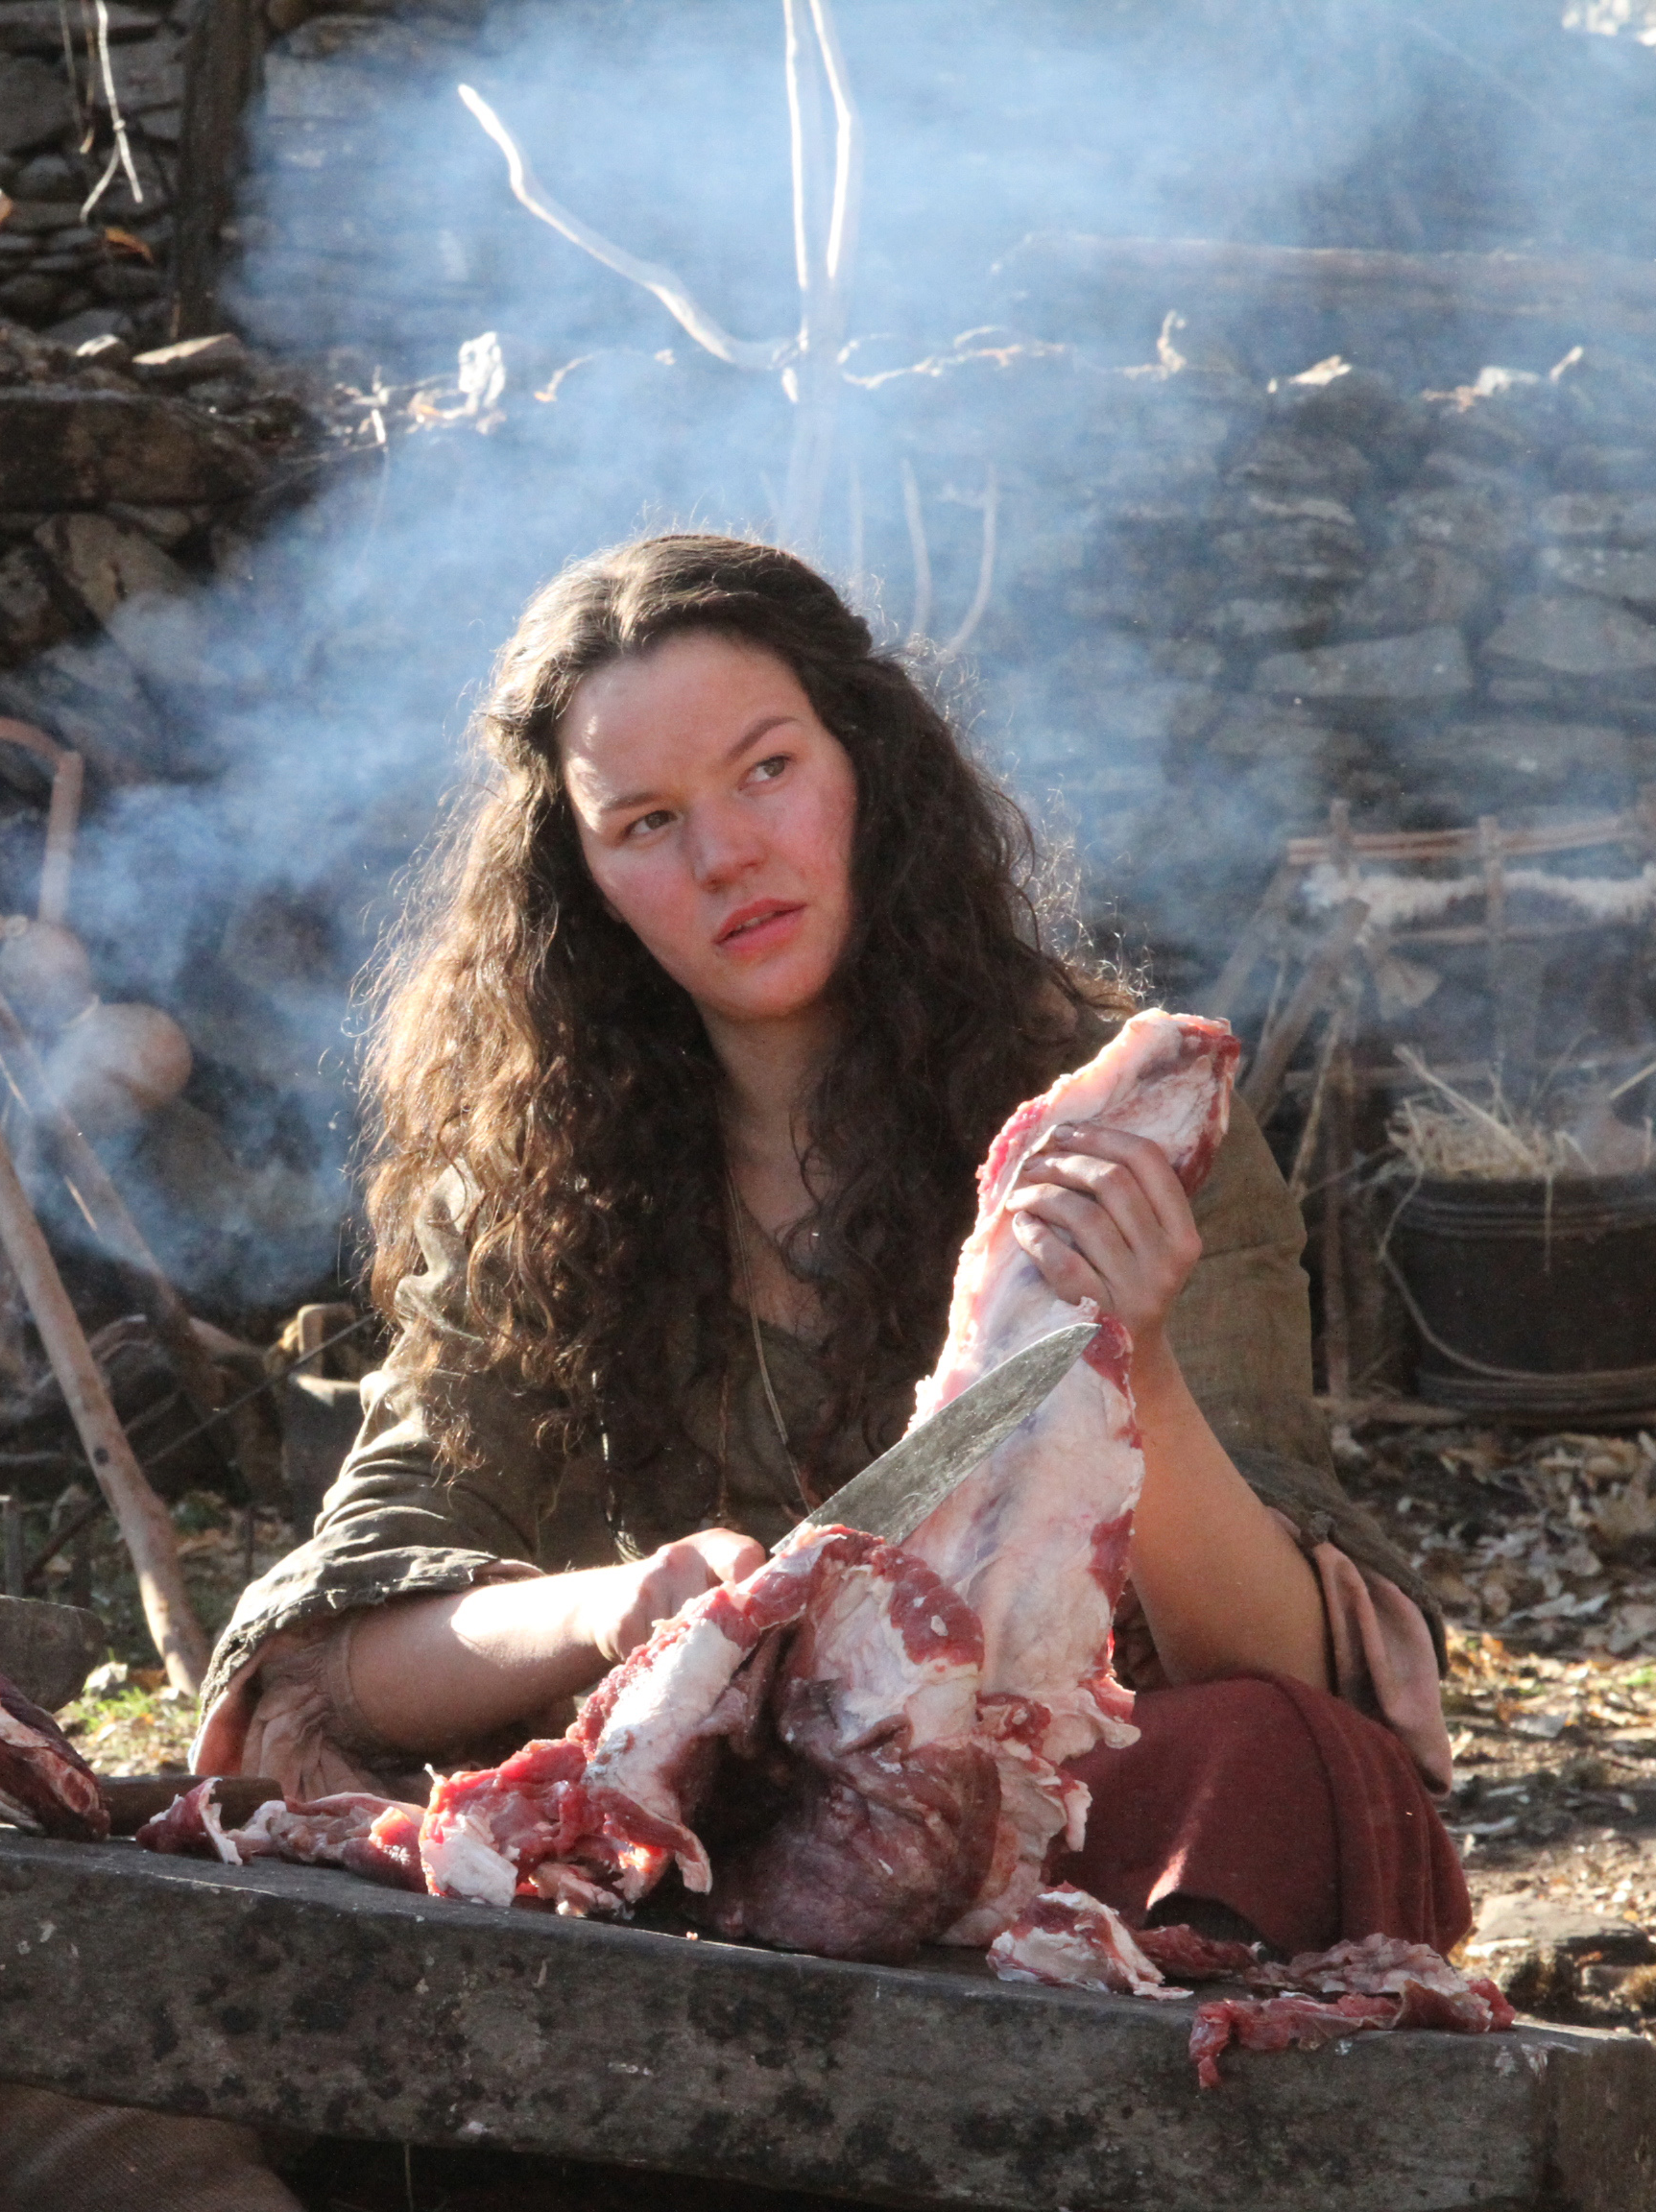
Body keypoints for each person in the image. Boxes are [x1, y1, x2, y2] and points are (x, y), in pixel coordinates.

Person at [193, 531, 1461, 1960]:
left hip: (1048, 1857)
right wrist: (620, 1610)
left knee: (1286, 1768)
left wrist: (1142, 1375)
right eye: (646, 823)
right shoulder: (533, 1181)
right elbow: (328, 1665)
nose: (726, 854)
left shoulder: (1120, 1126)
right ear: (583, 878)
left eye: (767, 770)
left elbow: (1299, 1673)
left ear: (868, 763)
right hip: (671, 1867)